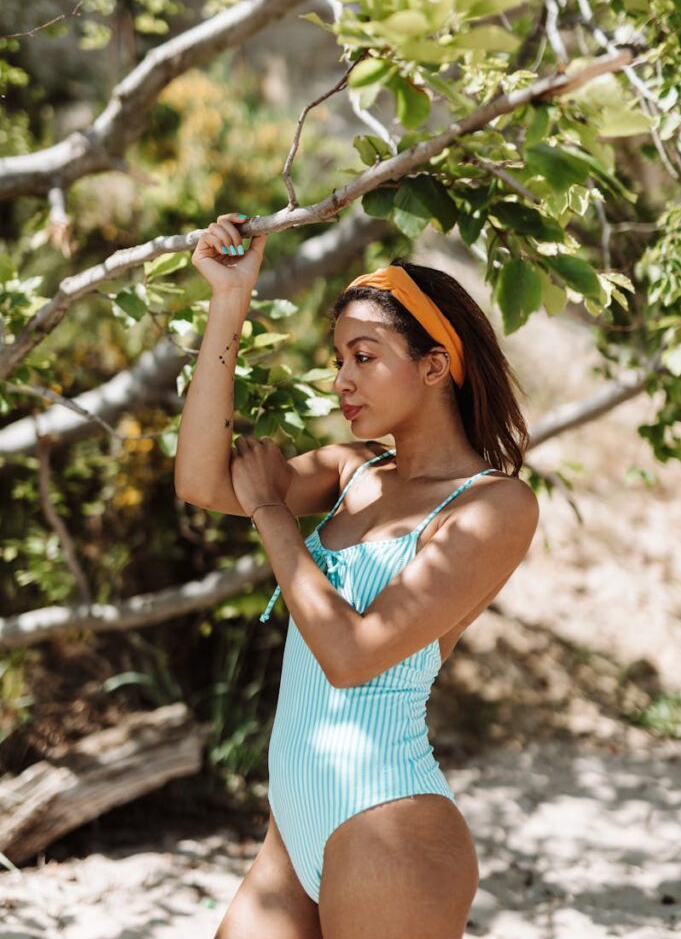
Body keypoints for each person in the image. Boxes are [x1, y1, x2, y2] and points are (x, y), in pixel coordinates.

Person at [175, 211, 540, 939]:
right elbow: (201, 480)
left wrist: (274, 516)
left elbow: (351, 656)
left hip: (389, 827)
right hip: (293, 829)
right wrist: (228, 299)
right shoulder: (351, 471)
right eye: (338, 357)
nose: (341, 378)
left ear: (433, 366)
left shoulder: (493, 505)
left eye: (363, 356)